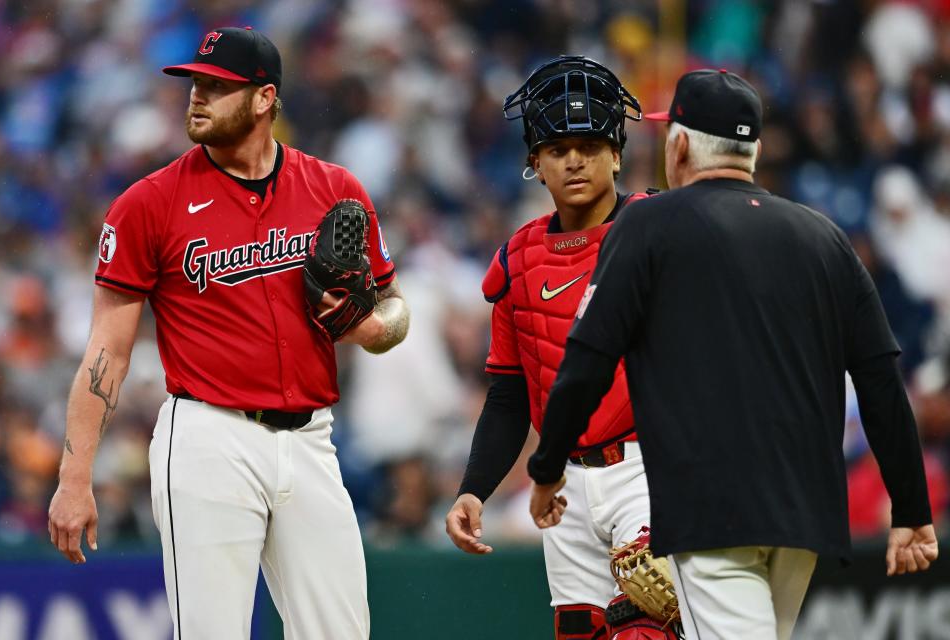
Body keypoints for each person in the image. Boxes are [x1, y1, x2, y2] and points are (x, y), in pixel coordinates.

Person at [527, 68, 938, 640]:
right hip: (804, 513)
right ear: (754, 150)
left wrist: (548, 469)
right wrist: (912, 510)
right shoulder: (824, 236)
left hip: (711, 507)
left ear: (679, 143)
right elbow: (881, 384)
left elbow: (588, 356)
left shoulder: (649, 223)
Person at [47, 26, 409, 639]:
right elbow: (106, 351)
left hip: (312, 440)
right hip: (208, 440)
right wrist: (73, 478)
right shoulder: (149, 204)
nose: (197, 97)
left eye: (217, 86)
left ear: (265, 98)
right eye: (195, 84)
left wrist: (369, 325)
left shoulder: (333, 189)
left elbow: (394, 313)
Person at [444, 55, 674, 640]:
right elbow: (509, 394)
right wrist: (474, 489)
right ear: (534, 163)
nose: (575, 160)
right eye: (557, 147)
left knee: (649, 626)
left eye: (591, 144)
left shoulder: (662, 231)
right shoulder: (518, 260)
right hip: (561, 483)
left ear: (617, 153)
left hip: (649, 466)